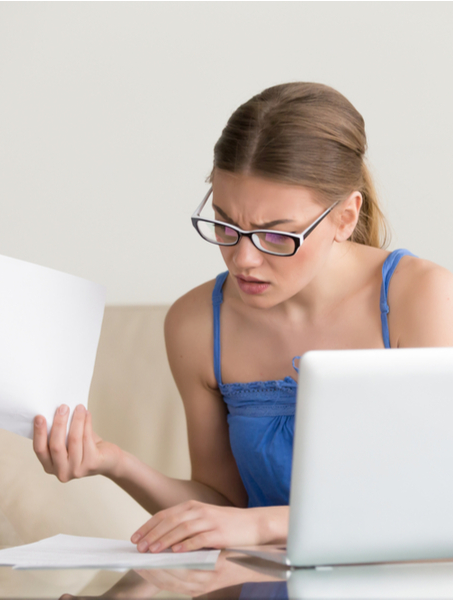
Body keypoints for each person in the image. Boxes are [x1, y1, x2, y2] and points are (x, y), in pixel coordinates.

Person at [32, 82, 453, 554]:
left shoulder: (421, 297)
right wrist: (116, 463)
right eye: (225, 224)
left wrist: (263, 525)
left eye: (277, 236)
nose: (243, 259)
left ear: (345, 217)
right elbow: (222, 504)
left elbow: (436, 500)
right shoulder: (197, 323)